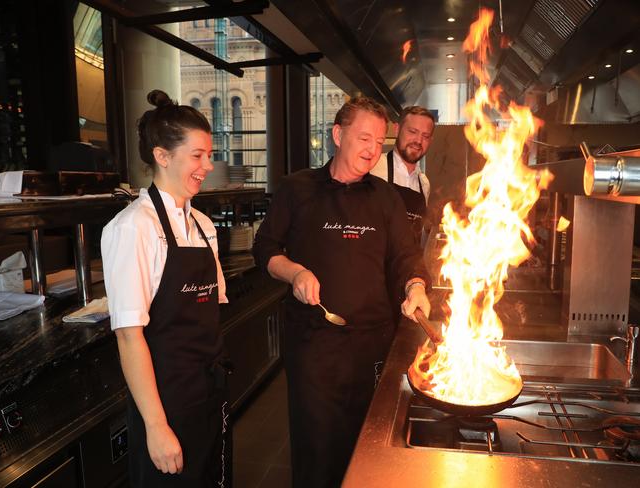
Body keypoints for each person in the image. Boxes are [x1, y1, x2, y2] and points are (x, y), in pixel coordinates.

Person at [253, 96, 432, 488]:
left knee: (368, 445)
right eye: (363, 138)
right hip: (314, 345)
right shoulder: (297, 189)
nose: (372, 150)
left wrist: (416, 286)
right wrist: (295, 271)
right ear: (337, 134)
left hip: (372, 345)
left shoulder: (386, 198)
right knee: (317, 449)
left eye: (379, 141)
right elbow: (264, 248)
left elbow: (406, 255)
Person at [101, 89, 231, 488]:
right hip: (165, 402)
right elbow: (128, 337)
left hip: (209, 394)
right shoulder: (132, 228)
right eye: (197, 155)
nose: (208, 165)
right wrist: (156, 427)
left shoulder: (204, 227)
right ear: (162, 156)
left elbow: (211, 310)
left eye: (209, 154)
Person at [370, 106, 435, 247]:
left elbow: (420, 235)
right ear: (397, 129)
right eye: (413, 132)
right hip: (376, 265)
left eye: (425, 136)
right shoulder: (373, 168)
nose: (418, 141)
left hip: (409, 266)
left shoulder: (424, 183)